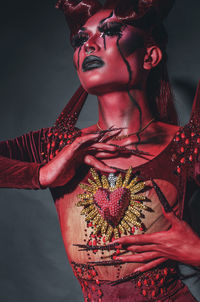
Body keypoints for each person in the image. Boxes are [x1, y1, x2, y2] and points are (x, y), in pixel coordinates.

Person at [1, 0, 200, 301]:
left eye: (110, 30)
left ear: (150, 56)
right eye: (81, 39)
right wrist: (42, 173)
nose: (89, 45)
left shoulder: (186, 148)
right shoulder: (57, 146)